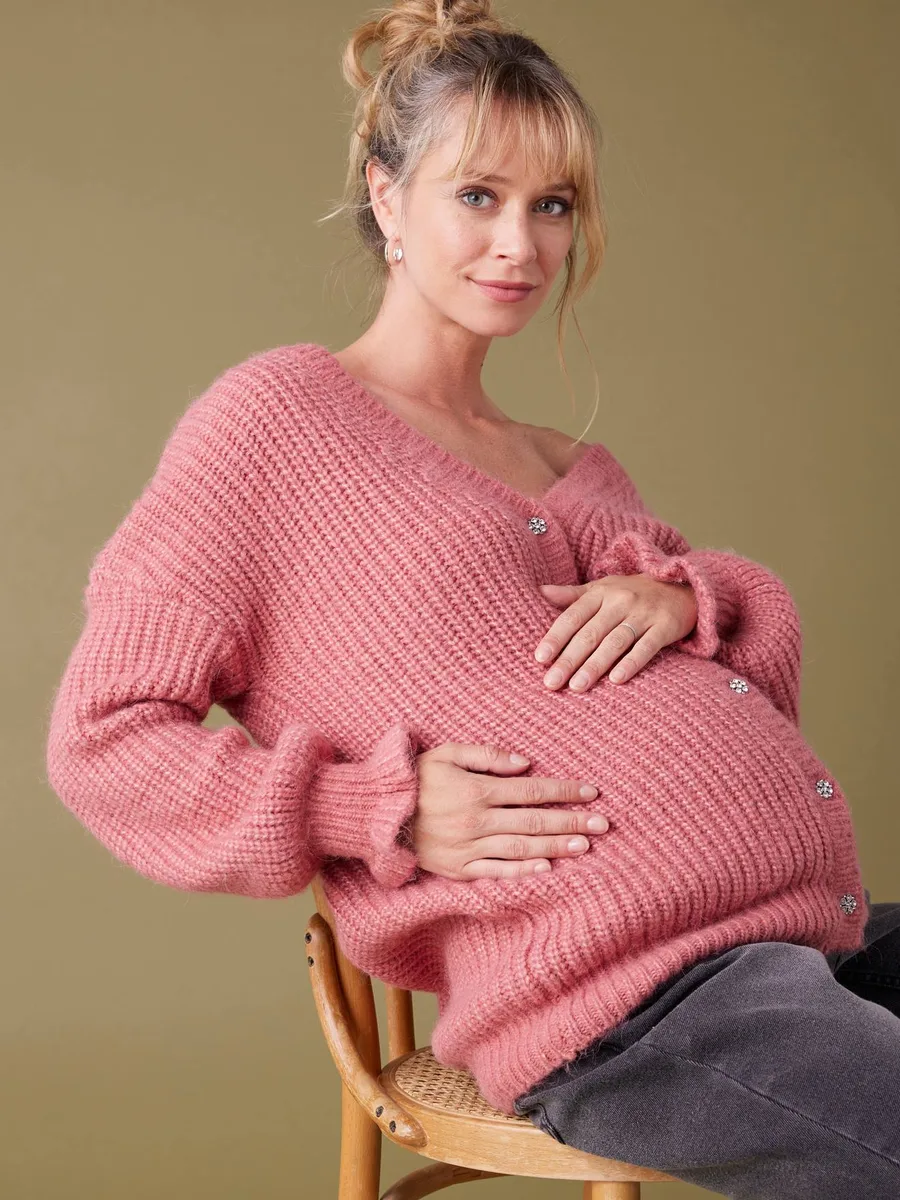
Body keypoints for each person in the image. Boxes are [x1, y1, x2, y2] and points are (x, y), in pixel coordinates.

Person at [44, 2, 899, 1195]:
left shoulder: (574, 468)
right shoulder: (274, 425)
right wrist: (369, 811)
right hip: (628, 998)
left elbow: (755, 683)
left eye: (551, 206)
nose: (521, 244)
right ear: (389, 200)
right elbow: (102, 742)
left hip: (805, 933)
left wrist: (685, 600)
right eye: (478, 196)